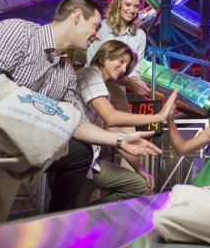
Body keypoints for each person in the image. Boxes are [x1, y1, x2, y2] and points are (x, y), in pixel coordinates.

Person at [0, 0, 162, 232]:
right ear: (77, 16)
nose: (98, 35)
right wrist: (40, 116)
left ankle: (58, 226)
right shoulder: (18, 32)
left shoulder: (65, 73)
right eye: (95, 26)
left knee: (80, 152)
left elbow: (77, 123)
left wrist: (121, 139)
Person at [76, 40, 178, 206]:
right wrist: (158, 117)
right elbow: (111, 118)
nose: (123, 69)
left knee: (141, 185)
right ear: (105, 56)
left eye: (126, 65)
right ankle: (86, 212)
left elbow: (115, 134)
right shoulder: (90, 74)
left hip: (91, 165)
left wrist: (141, 170)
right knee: (70, 215)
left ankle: (92, 212)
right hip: (77, 165)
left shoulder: (102, 88)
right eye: (121, 61)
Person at [86, 0, 151, 171]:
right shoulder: (102, 28)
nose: (132, 10)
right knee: (94, 142)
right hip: (93, 86)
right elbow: (93, 65)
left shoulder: (139, 35)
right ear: (118, 3)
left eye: (136, 6)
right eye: (128, 4)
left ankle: (131, 182)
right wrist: (128, 79)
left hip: (116, 90)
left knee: (132, 141)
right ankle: (93, 184)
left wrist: (136, 82)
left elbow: (135, 71)